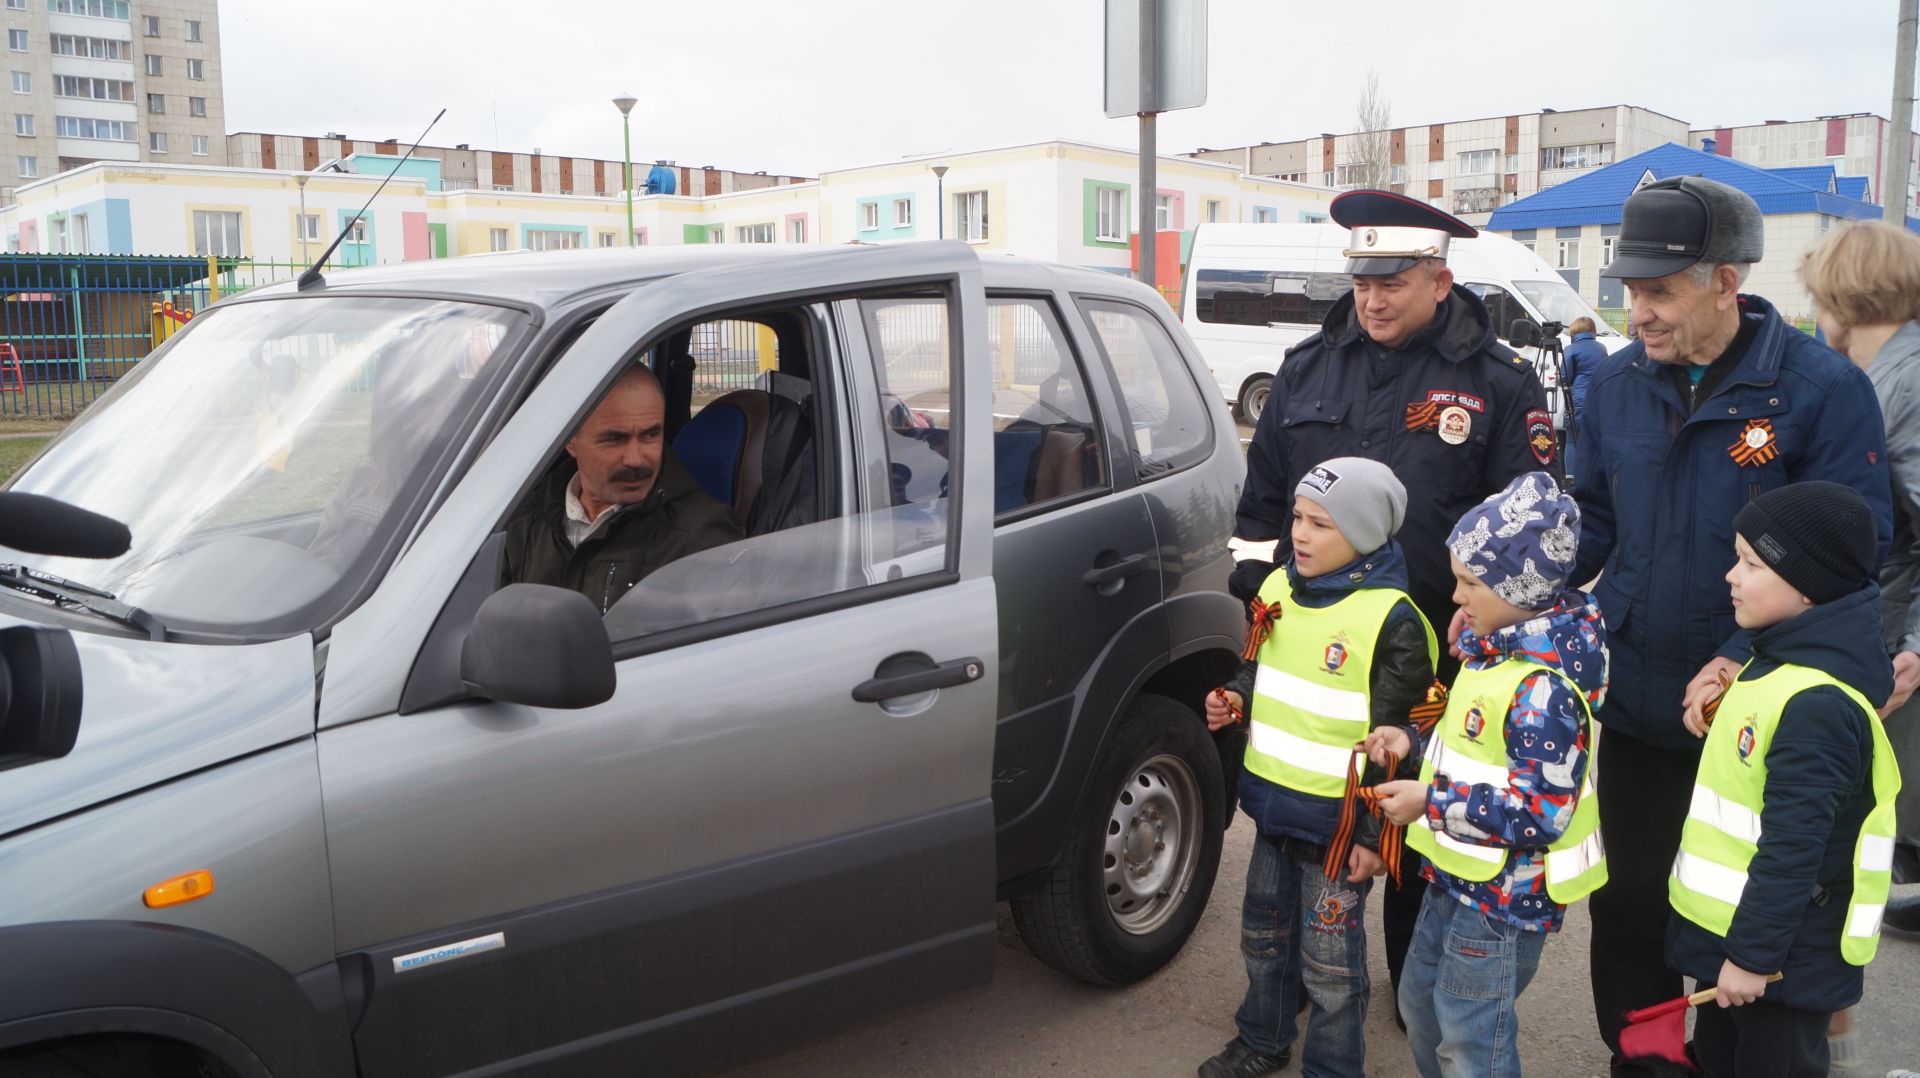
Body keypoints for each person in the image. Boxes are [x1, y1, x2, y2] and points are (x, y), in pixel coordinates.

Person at [1571, 175, 1892, 1077]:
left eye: (1659, 291)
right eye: (1630, 289)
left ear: (1726, 281)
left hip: (1755, 713)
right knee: (1630, 904)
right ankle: (1643, 1061)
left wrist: (1734, 657)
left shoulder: (1822, 392)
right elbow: (1593, 517)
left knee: (1751, 909)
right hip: (1638, 700)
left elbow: (1851, 563)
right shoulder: (1616, 383)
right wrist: (1518, 584)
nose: (1639, 311)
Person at [1229, 189, 1556, 1013]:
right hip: (1319, 653)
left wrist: (1492, 629)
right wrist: (1261, 608)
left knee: (1418, 830)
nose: (1371, 299)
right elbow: (1261, 508)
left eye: (1394, 282)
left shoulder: (1499, 383)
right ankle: (1308, 984)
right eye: (1362, 281)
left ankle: (1417, 997)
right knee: (1307, 823)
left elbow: (1529, 524)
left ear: (1440, 280)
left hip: (1439, 652)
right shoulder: (1307, 366)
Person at [1199, 457, 1436, 1078]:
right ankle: (1262, 1039)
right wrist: (1236, 696)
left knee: (1331, 967)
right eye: (1298, 518)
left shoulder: (1393, 620)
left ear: (1362, 535)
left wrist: (1374, 839)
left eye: (1321, 524)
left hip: (1337, 833)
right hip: (1274, 811)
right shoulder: (1277, 590)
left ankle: (1332, 1068)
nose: (1300, 535)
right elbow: (1261, 666)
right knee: (1263, 939)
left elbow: (1397, 746)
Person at [1369, 470, 1608, 1078]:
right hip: (1456, 877)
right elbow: (1473, 743)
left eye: (1470, 583)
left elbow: (1541, 812)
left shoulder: (1542, 691)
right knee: (1420, 1007)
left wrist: (1429, 801)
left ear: (1521, 587)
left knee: (1471, 1038)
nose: (1457, 597)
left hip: (1504, 901)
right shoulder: (1491, 652)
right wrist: (1414, 741)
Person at [1665, 482, 1898, 1078]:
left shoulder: (1817, 704)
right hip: (1742, 943)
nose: (1730, 576)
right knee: (1721, 1059)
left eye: (1750, 562)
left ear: (1808, 589)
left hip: (1779, 962)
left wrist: (1751, 958)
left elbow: (1795, 848)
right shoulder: (1773, 664)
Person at [1798, 218, 1920, 1073]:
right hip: (1881, 639)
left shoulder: (1897, 385)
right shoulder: (1884, 374)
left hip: (1884, 651)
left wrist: (1913, 642)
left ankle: (1824, 1047)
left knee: (1838, 855)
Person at [503, 364, 741, 611]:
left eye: (650, 435)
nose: (636, 459)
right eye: (614, 439)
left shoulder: (702, 534)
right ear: (570, 441)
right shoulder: (523, 520)